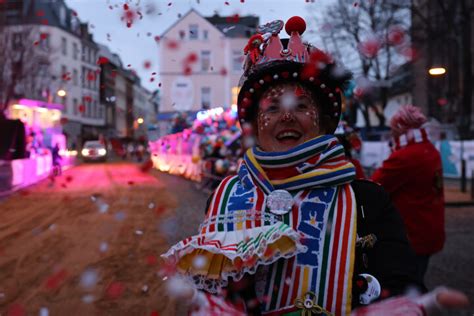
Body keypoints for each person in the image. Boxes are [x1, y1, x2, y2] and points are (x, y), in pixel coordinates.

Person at [163, 17, 468, 315]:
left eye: (301, 105)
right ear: (255, 125)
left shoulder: (368, 200)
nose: (286, 115)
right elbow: (212, 290)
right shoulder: (224, 197)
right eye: (272, 107)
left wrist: (401, 306)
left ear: (323, 121)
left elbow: (400, 285)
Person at [371, 105, 445, 283]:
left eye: (393, 128)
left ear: (402, 129)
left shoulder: (405, 156)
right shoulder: (430, 149)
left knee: (406, 286)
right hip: (428, 231)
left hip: (411, 236)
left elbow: (374, 188)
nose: (391, 132)